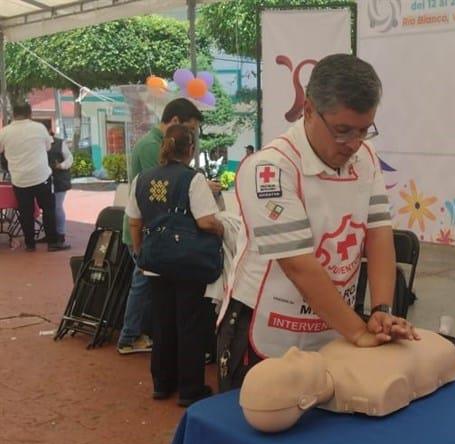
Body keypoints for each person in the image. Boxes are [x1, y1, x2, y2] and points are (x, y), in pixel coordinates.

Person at [220, 54, 418, 391]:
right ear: (309, 110)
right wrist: (357, 331)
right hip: (266, 331)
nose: (353, 144)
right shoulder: (270, 168)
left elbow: (379, 234)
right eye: (342, 131)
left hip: (333, 327)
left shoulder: (365, 157)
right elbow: (298, 265)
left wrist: (381, 310)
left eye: (363, 130)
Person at [126, 124, 224, 407]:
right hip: (187, 262)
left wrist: (139, 250)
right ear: (191, 150)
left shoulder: (142, 179)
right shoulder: (193, 179)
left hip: (155, 261)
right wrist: (222, 229)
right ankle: (190, 388)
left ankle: (162, 383)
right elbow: (205, 220)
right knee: (190, 324)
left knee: (162, 322)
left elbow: (135, 220)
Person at [118, 98, 212, 355]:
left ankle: (143, 335)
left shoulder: (151, 144)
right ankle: (130, 335)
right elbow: (159, 192)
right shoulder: (151, 146)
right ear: (174, 123)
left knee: (149, 286)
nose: (191, 138)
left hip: (149, 231)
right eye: (190, 131)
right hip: (149, 233)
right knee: (142, 284)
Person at [240, 328, 455, 432]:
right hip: (433, 347)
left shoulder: (327, 351)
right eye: (292, 369)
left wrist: (381, 316)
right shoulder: (373, 390)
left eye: (282, 359)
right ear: (304, 402)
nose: (293, 352)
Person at [0, 102, 70, 252]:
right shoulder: (39, 128)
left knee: (25, 212)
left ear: (13, 114)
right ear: (30, 113)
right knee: (48, 209)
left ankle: (30, 244)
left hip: (19, 179)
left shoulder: (4, 132)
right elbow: (48, 147)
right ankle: (53, 243)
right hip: (41, 177)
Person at [43, 127, 73, 244]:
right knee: (48, 208)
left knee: (57, 207)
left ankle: (60, 234)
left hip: (59, 179)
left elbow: (70, 158)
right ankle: (50, 234)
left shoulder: (59, 143)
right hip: (44, 180)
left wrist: (61, 166)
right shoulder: (38, 145)